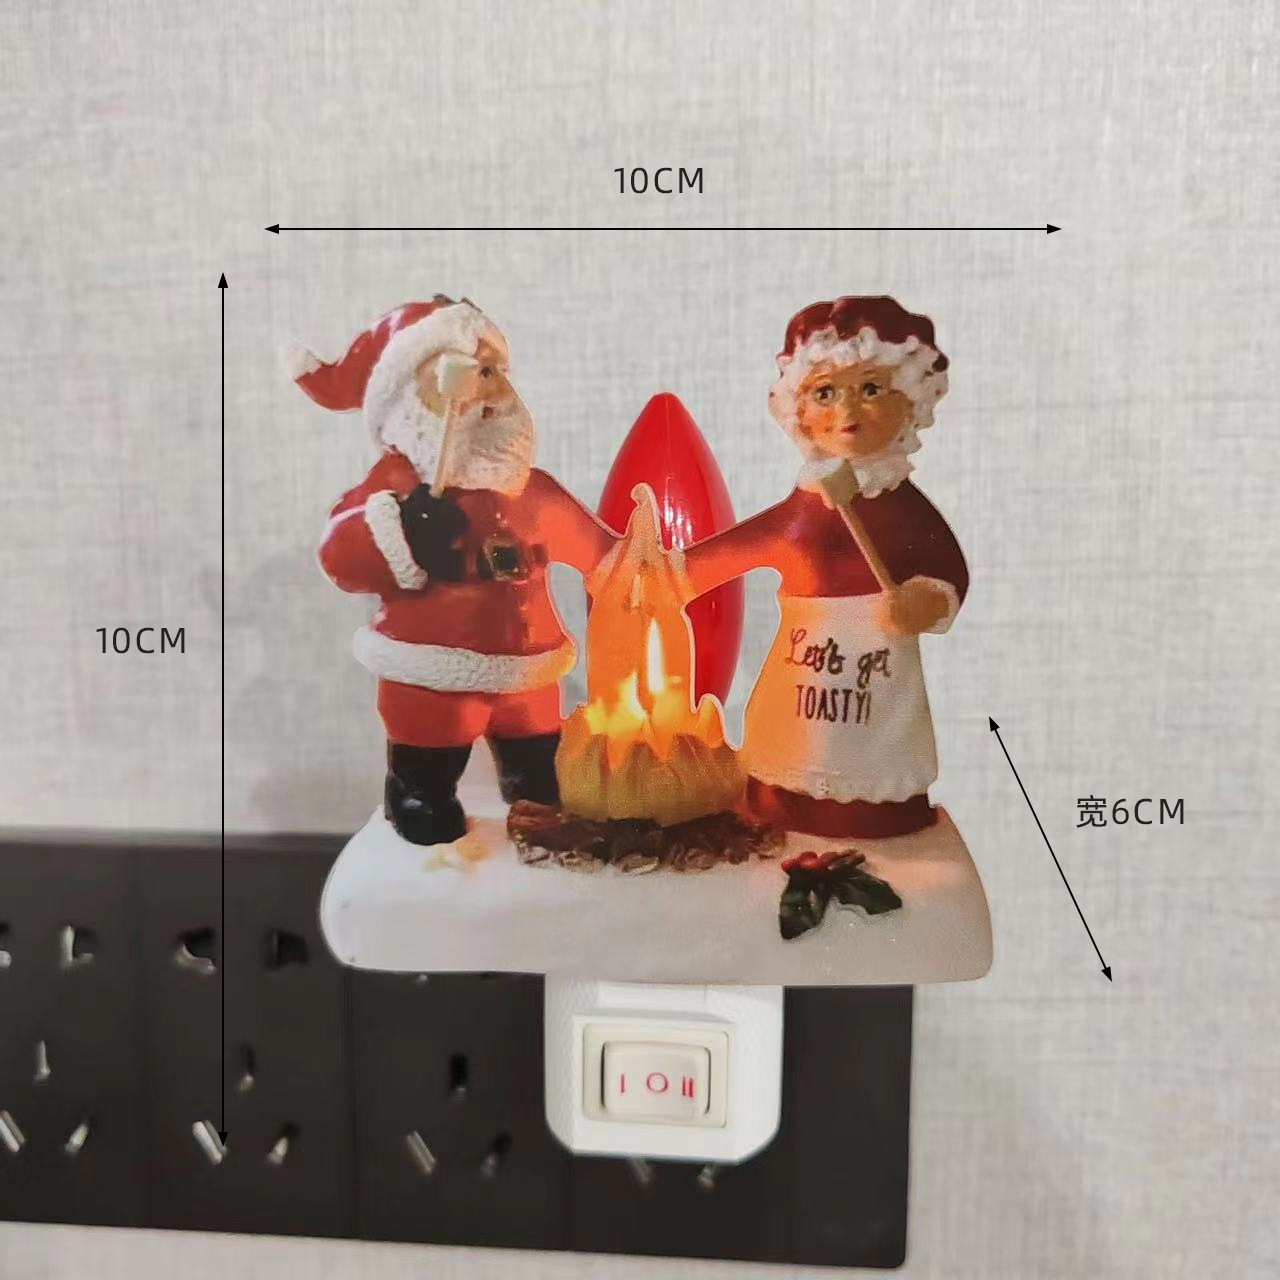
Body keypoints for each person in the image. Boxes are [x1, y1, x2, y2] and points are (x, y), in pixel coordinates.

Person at [291, 297, 616, 846]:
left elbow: (599, 553)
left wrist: (634, 568)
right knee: (430, 745)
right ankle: (419, 791)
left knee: (539, 760)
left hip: (528, 675)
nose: (486, 388)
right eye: (462, 370)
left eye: (493, 370)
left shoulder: (531, 492)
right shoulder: (394, 489)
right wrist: (403, 529)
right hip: (432, 674)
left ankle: (533, 782)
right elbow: (338, 555)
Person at [679, 296, 968, 838]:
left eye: (871, 389)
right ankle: (780, 802)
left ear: (910, 399)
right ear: (799, 410)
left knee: (869, 760)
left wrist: (928, 599)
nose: (847, 410)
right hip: (802, 671)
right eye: (826, 392)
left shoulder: (902, 506)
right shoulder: (808, 507)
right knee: (788, 752)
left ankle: (873, 815)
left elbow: (946, 566)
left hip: (877, 676)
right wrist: (676, 574)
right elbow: (751, 544)